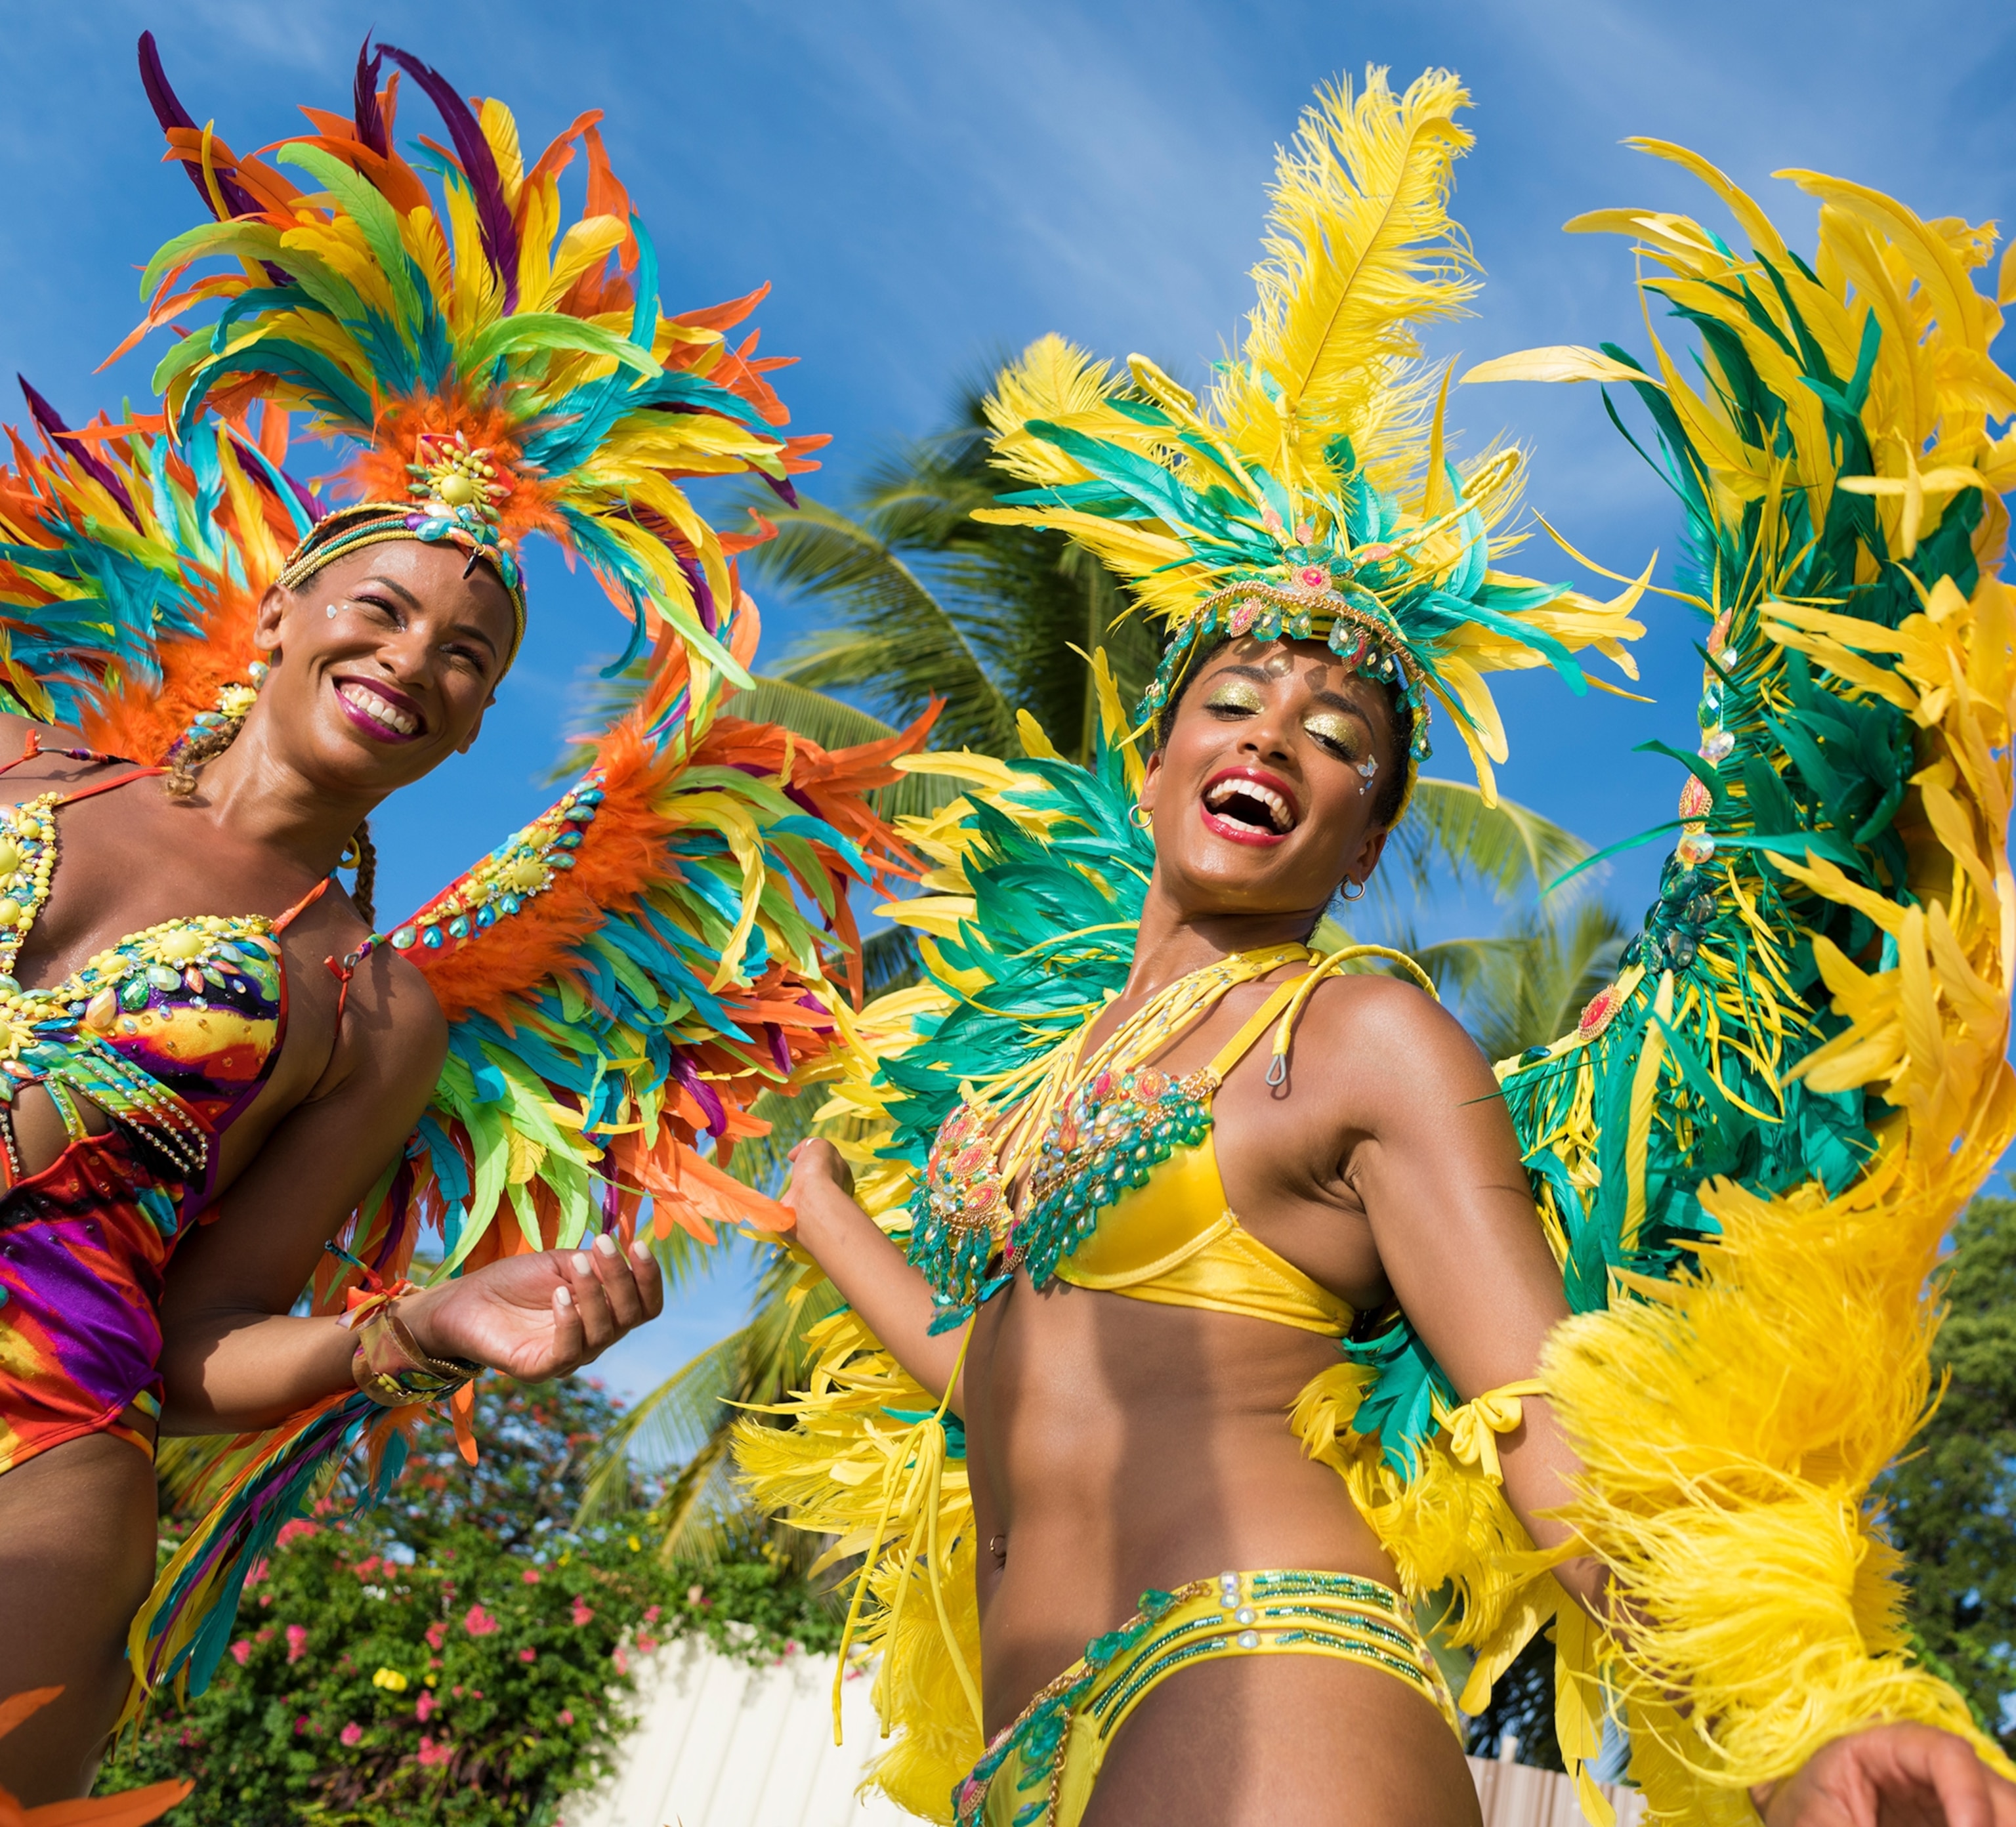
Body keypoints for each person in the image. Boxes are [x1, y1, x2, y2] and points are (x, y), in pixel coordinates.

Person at [740, 69, 2016, 1827]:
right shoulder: (1036, 1078)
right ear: (1158, 755)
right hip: (1016, 1761)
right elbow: (1012, 1390)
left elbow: (1544, 1416)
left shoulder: (1357, 1042)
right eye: (1238, 699)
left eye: (1339, 740)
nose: (1276, 740)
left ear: (1370, 833)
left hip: (1260, 1676)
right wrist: (813, 1207)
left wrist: (1794, 1712)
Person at [0, 35, 914, 1805]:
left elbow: (205, 1345)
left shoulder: (365, 1010)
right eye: (383, 608)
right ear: (279, 616)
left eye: (468, 659)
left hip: (40, 1445)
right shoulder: (24, 771)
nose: (413, 661)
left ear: (482, 724)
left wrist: (407, 1333)